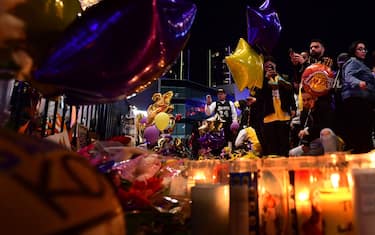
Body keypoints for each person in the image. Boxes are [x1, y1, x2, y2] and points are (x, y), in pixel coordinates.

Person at [256, 56, 296, 156]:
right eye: (266, 65)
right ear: (264, 67)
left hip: (284, 114)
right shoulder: (261, 81)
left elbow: (290, 93)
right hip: (269, 116)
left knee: (284, 144)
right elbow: (259, 96)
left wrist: (293, 107)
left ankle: (286, 168)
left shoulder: (284, 77)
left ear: (275, 65)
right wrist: (266, 79)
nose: (269, 67)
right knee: (271, 145)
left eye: (271, 64)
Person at [341, 40, 375, 153]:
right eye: (360, 49)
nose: (363, 51)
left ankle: (364, 152)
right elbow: (348, 76)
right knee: (361, 129)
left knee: (365, 128)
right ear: (353, 51)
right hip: (356, 100)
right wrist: (359, 82)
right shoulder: (353, 61)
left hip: (362, 100)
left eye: (364, 49)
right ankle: (361, 155)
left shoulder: (361, 64)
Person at [289, 89, 338, 156]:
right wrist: (305, 144)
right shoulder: (304, 112)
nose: (306, 102)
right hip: (313, 143)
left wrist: (312, 112)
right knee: (292, 153)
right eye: (303, 100)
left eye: (308, 99)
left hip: (328, 140)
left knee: (325, 132)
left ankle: (330, 161)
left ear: (315, 98)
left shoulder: (324, 106)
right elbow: (303, 131)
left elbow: (325, 125)